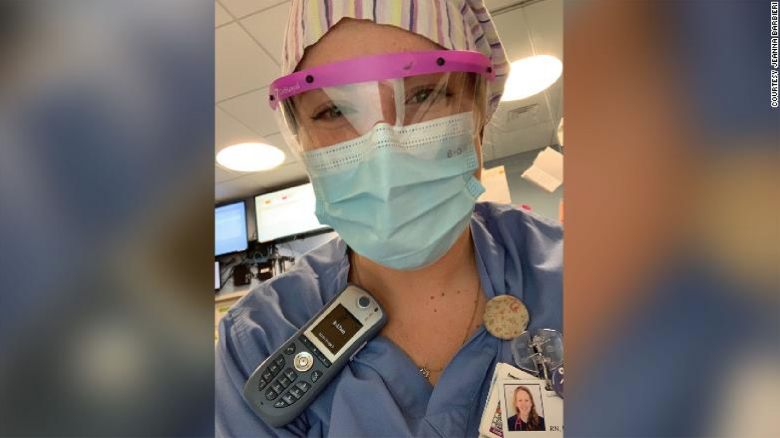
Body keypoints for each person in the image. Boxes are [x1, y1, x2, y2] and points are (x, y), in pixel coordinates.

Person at [215, 1, 562, 436]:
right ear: (300, 139)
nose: (384, 151)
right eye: (334, 112)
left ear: (478, 112)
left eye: (423, 94)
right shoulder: (258, 343)